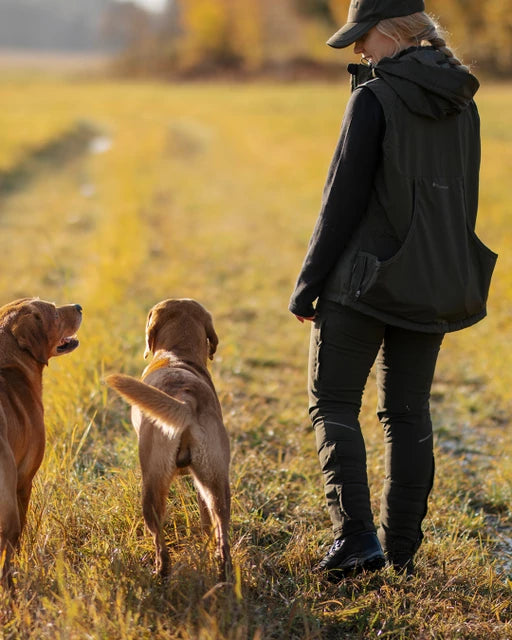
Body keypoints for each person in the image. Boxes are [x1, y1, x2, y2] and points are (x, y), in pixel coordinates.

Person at [289, 0, 497, 580]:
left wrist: (307, 287)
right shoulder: (463, 101)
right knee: (407, 414)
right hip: (432, 282)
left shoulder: (373, 99)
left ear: (387, 31)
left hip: (361, 284)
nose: (359, 51)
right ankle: (401, 552)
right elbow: (460, 201)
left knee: (333, 404)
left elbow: (341, 203)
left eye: (362, 38)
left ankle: (356, 540)